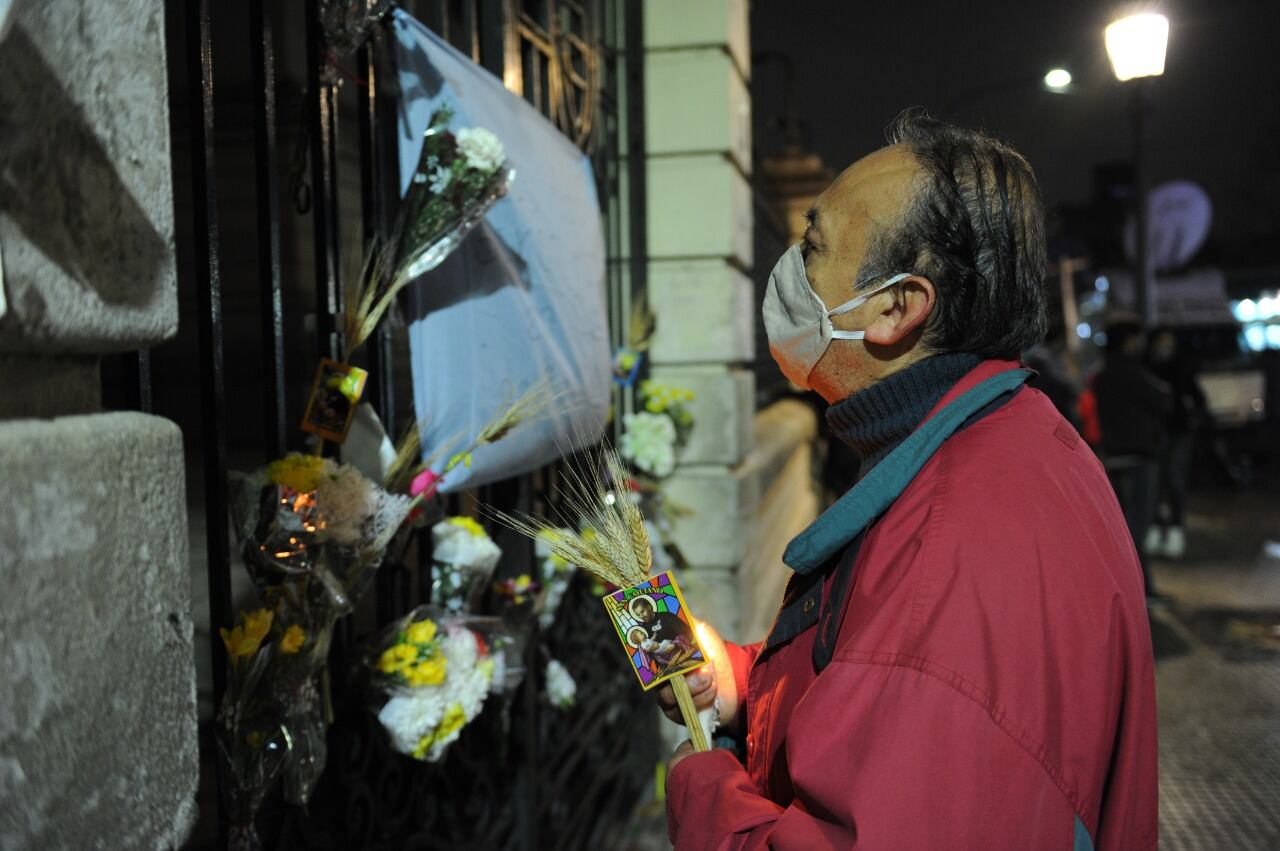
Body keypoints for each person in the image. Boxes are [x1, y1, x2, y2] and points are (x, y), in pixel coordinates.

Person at [656, 112, 1157, 850]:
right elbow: (875, 701)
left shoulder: (949, 556)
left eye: (811, 246)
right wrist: (745, 687)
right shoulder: (1002, 437)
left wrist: (703, 783)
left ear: (896, 306)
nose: (787, 271)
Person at [1093, 317, 1172, 596]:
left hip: (1114, 454)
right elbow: (1163, 401)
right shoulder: (1133, 372)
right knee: (1137, 527)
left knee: (1121, 525)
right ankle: (1141, 589)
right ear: (1128, 341)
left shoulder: (1103, 375)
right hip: (1139, 456)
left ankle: (1133, 587)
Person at [1147, 327, 1207, 559]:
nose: (1165, 346)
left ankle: (1175, 530)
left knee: (1174, 478)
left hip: (1178, 433)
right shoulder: (1147, 367)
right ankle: (1157, 530)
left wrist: (1192, 421)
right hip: (1155, 434)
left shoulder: (1182, 367)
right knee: (1157, 482)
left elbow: (1199, 399)